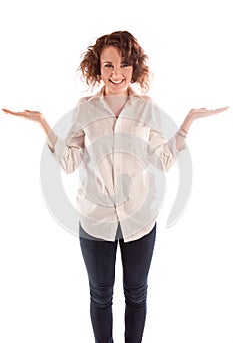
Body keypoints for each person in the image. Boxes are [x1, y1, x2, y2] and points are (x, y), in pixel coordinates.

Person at [2, 30, 228, 343]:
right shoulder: (84, 109)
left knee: (136, 295)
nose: (116, 73)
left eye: (123, 65)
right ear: (98, 68)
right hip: (95, 221)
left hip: (140, 219)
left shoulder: (147, 108)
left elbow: (162, 161)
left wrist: (187, 123)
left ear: (134, 68)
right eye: (108, 65)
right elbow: (68, 163)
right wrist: (43, 124)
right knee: (100, 296)